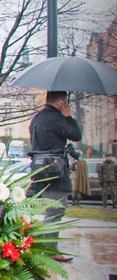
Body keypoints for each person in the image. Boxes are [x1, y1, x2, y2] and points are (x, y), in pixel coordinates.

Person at [29, 91, 82, 261]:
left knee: (50, 209)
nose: (66, 106)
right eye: (65, 102)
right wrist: (68, 117)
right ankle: (50, 250)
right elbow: (75, 134)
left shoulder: (36, 118)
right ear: (60, 102)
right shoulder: (56, 118)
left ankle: (45, 248)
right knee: (56, 209)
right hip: (55, 169)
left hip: (40, 169)